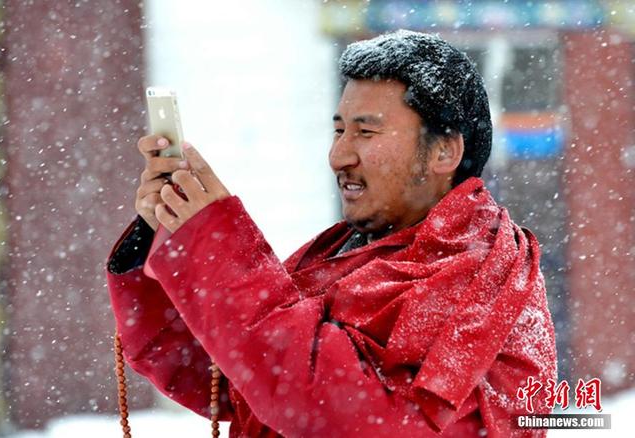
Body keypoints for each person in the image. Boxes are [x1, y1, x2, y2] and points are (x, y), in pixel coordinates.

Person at [106, 30, 557, 437]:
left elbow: (342, 414)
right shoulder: (340, 252)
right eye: (339, 129)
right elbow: (222, 373)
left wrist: (219, 241)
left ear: (444, 151)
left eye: (366, 132)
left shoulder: (485, 270)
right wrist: (163, 229)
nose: (339, 155)